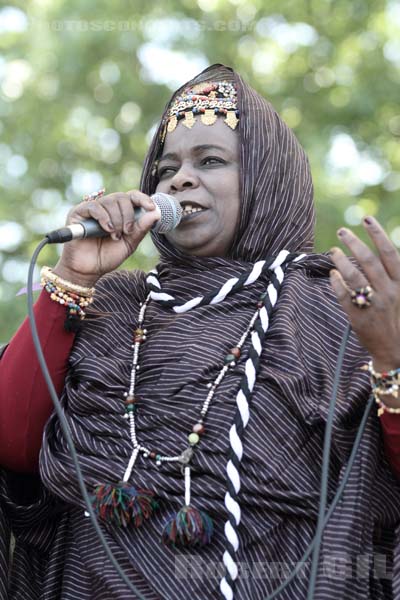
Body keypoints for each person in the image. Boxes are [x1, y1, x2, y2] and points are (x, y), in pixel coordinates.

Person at [1, 63, 400, 600]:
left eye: (210, 161)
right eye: (166, 169)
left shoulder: (331, 309)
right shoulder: (110, 304)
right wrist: (72, 276)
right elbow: (13, 447)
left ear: (267, 180)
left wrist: (391, 358)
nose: (179, 180)